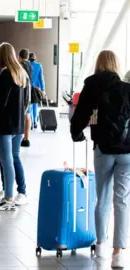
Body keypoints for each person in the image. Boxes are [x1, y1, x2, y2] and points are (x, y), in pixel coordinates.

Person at [70, 50, 130, 268]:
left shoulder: (92, 86)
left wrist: (76, 133)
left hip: (103, 149)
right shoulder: (126, 88)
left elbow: (81, 114)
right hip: (127, 151)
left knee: (102, 197)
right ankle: (119, 253)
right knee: (122, 200)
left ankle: (101, 245)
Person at [0, 42, 30, 211]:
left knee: (6, 160)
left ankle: (8, 198)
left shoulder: (5, 74)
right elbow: (26, 102)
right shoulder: (21, 74)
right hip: (17, 125)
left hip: (3, 124)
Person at [18, 48, 33, 147]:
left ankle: (19, 136)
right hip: (29, 91)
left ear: (19, 57)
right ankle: (26, 138)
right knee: (28, 115)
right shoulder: (30, 66)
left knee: (21, 115)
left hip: (22, 92)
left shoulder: (20, 66)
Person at [29, 52, 45, 129]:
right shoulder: (38, 66)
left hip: (28, 88)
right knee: (35, 105)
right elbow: (41, 79)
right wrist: (43, 89)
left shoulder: (26, 65)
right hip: (36, 89)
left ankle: (30, 122)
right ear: (35, 58)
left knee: (29, 105)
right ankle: (35, 122)